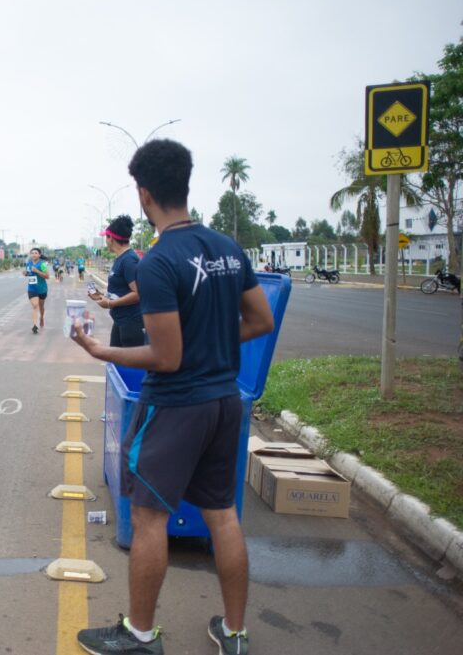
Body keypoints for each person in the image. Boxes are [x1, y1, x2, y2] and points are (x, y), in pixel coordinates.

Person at [71, 139, 274, 655]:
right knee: (222, 514)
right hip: (225, 401)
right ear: (185, 184)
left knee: (149, 519)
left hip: (177, 406)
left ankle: (140, 636)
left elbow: (165, 356)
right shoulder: (229, 248)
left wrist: (100, 351)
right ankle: (233, 633)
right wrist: (215, 341)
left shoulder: (159, 263)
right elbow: (260, 320)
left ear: (144, 195)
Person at [90, 215, 144, 348]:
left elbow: (138, 293)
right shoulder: (121, 258)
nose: (105, 241)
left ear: (111, 238)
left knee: (128, 366)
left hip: (131, 323)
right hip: (120, 321)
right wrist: (103, 294)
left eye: (106, 238)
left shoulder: (129, 260)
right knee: (114, 363)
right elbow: (122, 290)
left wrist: (110, 303)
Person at [23, 248, 50, 333]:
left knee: (41, 306)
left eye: (36, 253)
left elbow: (47, 276)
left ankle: (41, 317)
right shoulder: (29, 264)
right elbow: (29, 273)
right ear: (30, 255)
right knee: (35, 305)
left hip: (42, 289)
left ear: (39, 255)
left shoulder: (42, 264)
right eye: (32, 253)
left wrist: (37, 271)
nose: (34, 254)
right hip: (32, 288)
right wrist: (25, 273)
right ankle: (35, 325)